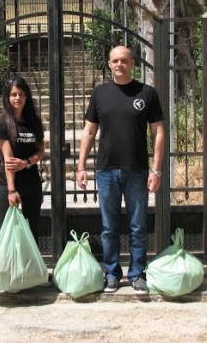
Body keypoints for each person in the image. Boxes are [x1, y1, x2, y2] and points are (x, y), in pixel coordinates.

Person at [76, 45, 164, 294]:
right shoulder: (100, 93)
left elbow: (158, 132)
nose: (119, 65)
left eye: (124, 60)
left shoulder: (147, 93)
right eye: (115, 60)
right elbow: (89, 131)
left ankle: (137, 274)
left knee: (138, 226)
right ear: (109, 63)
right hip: (106, 170)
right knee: (109, 227)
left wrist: (156, 170)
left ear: (132, 63)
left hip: (137, 170)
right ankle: (112, 273)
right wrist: (81, 166)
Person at [0, 76, 45, 242]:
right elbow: (8, 160)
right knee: (5, 231)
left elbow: (41, 152)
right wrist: (11, 190)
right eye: (13, 94)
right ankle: (4, 268)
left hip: (32, 184)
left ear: (26, 96)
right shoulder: (3, 123)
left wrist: (26, 163)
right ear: (8, 98)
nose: (17, 98)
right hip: (10, 185)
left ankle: (30, 267)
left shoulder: (34, 122)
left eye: (21, 94)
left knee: (32, 229)